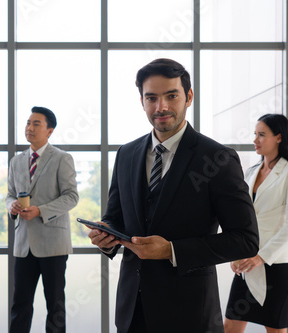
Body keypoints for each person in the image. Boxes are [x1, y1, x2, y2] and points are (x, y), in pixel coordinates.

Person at [88, 58, 259, 333]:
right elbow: (115, 218)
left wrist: (171, 250)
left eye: (171, 96)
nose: (161, 107)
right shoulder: (126, 154)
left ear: (188, 97)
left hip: (190, 314)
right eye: (151, 98)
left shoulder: (217, 158)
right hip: (132, 312)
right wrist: (106, 236)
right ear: (142, 101)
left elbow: (246, 240)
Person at [224, 114, 288, 333]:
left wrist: (261, 257)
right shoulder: (250, 173)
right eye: (254, 134)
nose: (255, 140)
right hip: (247, 262)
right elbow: (242, 219)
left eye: (261, 135)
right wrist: (237, 253)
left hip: (276, 264)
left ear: (279, 137)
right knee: (230, 326)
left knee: (275, 329)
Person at [6, 106, 79, 333]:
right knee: (20, 304)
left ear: (50, 131)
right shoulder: (16, 161)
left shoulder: (61, 158)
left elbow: (71, 196)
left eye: (36, 124)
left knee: (55, 305)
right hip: (23, 243)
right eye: (28, 123)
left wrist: (41, 210)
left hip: (53, 244)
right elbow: (9, 194)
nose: (29, 128)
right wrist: (12, 206)